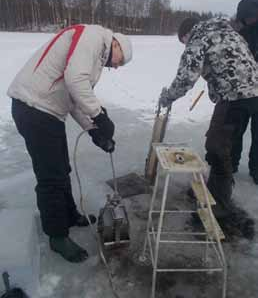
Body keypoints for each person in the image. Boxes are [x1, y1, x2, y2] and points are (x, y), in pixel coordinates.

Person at [7, 24, 132, 263]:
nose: (117, 66)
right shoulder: (93, 37)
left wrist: (94, 131)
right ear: (116, 44)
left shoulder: (95, 57)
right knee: (51, 177)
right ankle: (57, 236)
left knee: (62, 168)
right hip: (33, 108)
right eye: (120, 60)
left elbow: (75, 99)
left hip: (48, 112)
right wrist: (99, 115)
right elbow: (75, 81)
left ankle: (68, 214)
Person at [160, 16, 258, 224]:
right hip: (252, 95)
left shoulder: (199, 38)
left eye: (183, 42)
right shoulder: (227, 31)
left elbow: (186, 78)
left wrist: (168, 96)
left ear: (187, 34)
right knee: (222, 144)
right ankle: (214, 191)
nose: (185, 46)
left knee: (217, 148)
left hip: (234, 97)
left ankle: (220, 207)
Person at [230, 0, 258, 185]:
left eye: (251, 17)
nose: (248, 21)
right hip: (242, 89)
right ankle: (230, 163)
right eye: (245, 18)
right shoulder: (240, 31)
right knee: (236, 128)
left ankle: (256, 169)